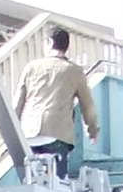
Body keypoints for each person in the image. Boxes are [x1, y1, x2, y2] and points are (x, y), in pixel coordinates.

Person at [15, 26, 99, 174]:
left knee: (30, 179)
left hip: (29, 133)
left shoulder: (31, 68)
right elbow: (88, 108)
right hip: (57, 134)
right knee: (56, 182)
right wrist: (92, 131)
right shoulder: (74, 71)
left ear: (49, 42)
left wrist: (13, 132)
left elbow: (17, 104)